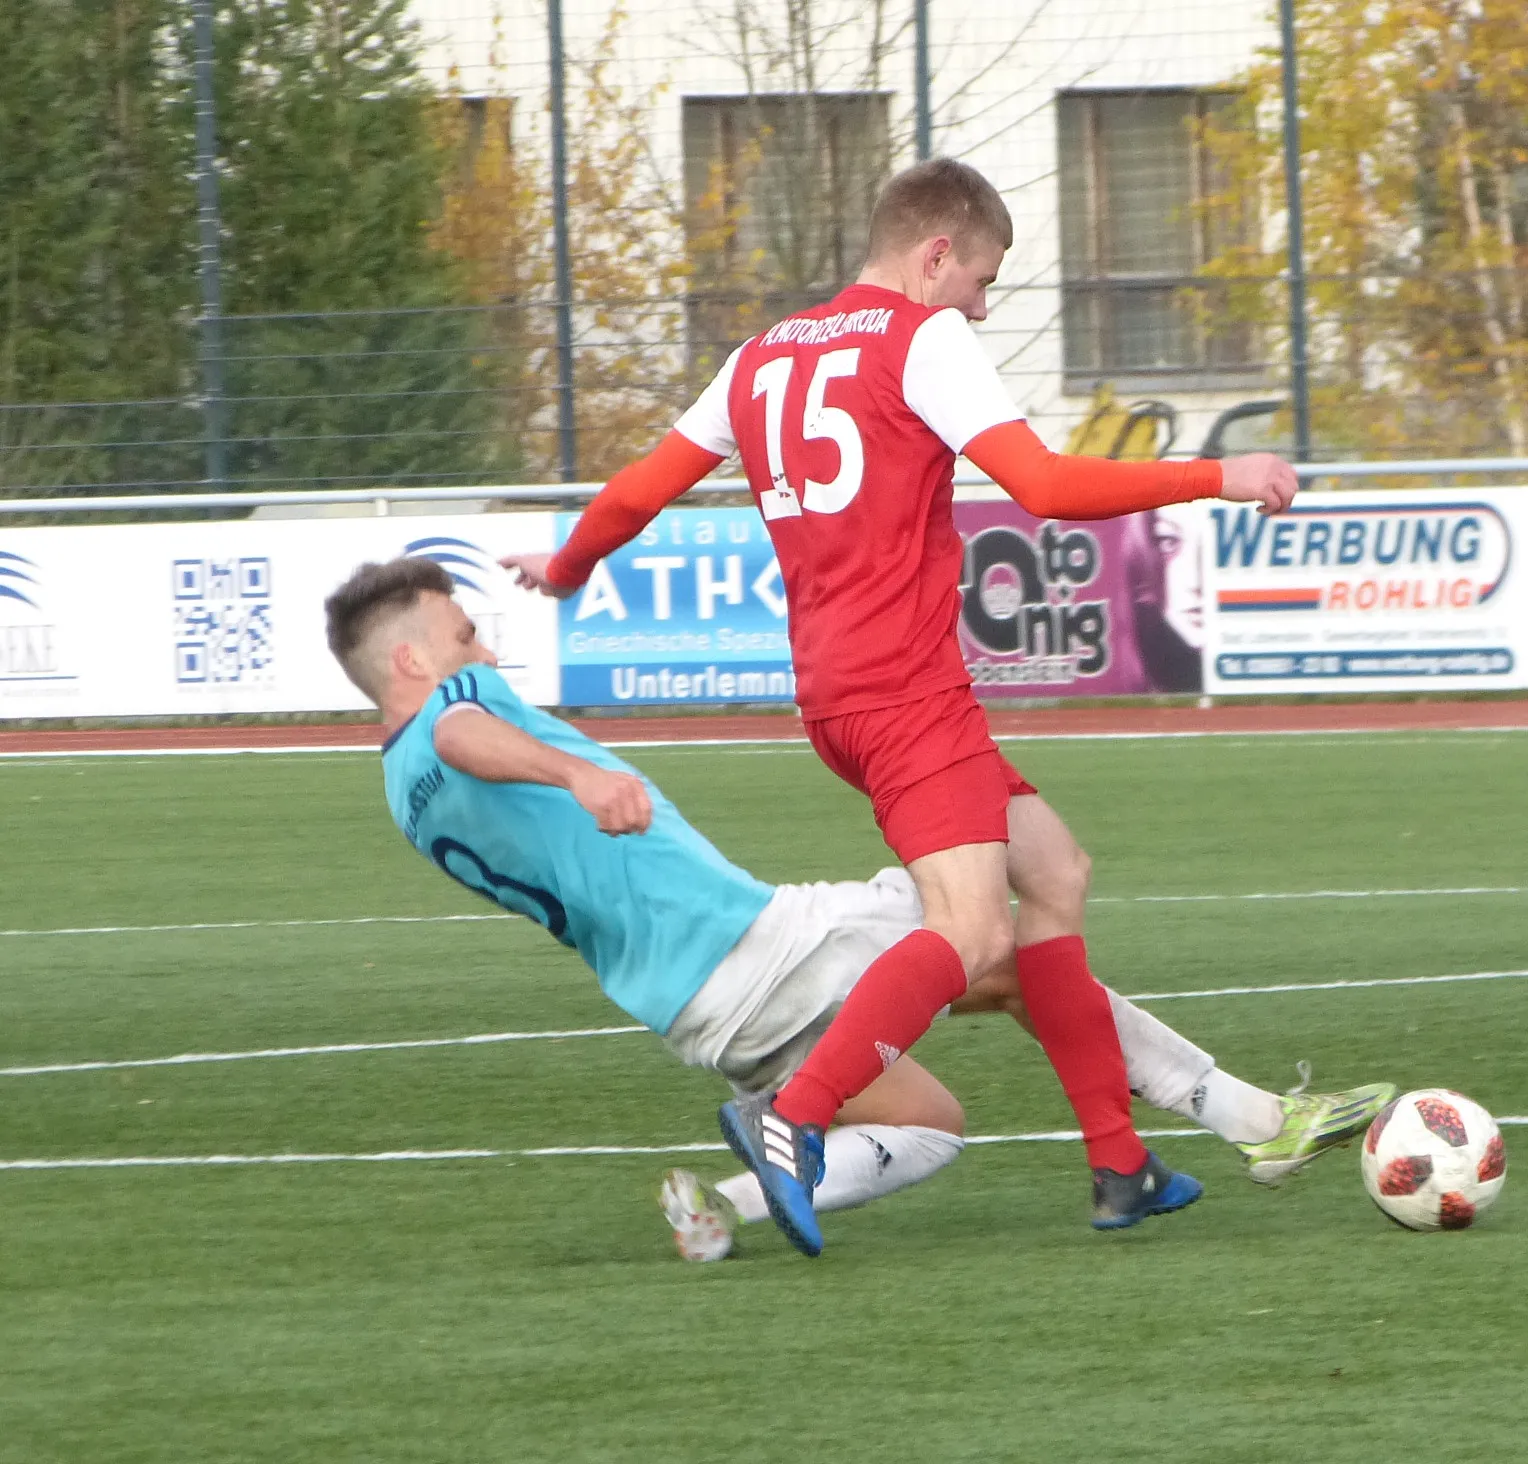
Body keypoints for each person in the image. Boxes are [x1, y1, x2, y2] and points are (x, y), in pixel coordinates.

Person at [503, 157, 1375, 1258]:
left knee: (1054, 872)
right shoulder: (920, 339)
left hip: (836, 699)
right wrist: (1218, 476)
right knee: (968, 931)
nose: (982, 305)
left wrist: (568, 567)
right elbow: (1044, 486)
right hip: (907, 693)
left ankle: (1119, 1164)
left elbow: (638, 488)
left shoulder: (760, 355)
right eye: (981, 279)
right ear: (934, 254)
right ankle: (795, 1117)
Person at [322, 558, 1394, 1259]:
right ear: (413, 659)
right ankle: (1256, 1121)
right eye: (463, 634)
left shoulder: (399, 791)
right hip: (762, 948)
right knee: (1002, 934)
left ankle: (728, 1201)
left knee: (929, 1127)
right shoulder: (458, 711)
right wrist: (579, 775)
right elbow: (464, 729)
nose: (482, 649)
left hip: (695, 1013)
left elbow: (455, 752)